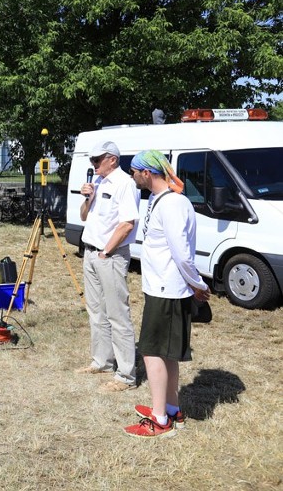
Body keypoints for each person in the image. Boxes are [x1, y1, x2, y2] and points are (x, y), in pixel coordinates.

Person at [124, 150, 209, 438]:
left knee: (151, 352)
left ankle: (160, 420)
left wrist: (198, 284)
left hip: (167, 290)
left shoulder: (172, 203)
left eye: (134, 171)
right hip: (161, 287)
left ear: (147, 173)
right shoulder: (162, 200)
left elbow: (181, 253)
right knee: (167, 353)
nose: (132, 175)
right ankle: (171, 409)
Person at [77, 140, 140, 392]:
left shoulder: (125, 183)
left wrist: (106, 251)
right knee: (96, 311)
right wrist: (87, 198)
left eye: (97, 160)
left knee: (117, 314)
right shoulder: (99, 182)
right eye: (92, 161)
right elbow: (84, 216)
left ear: (112, 159)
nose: (94, 165)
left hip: (109, 255)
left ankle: (126, 375)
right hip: (91, 252)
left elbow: (127, 223)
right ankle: (102, 361)